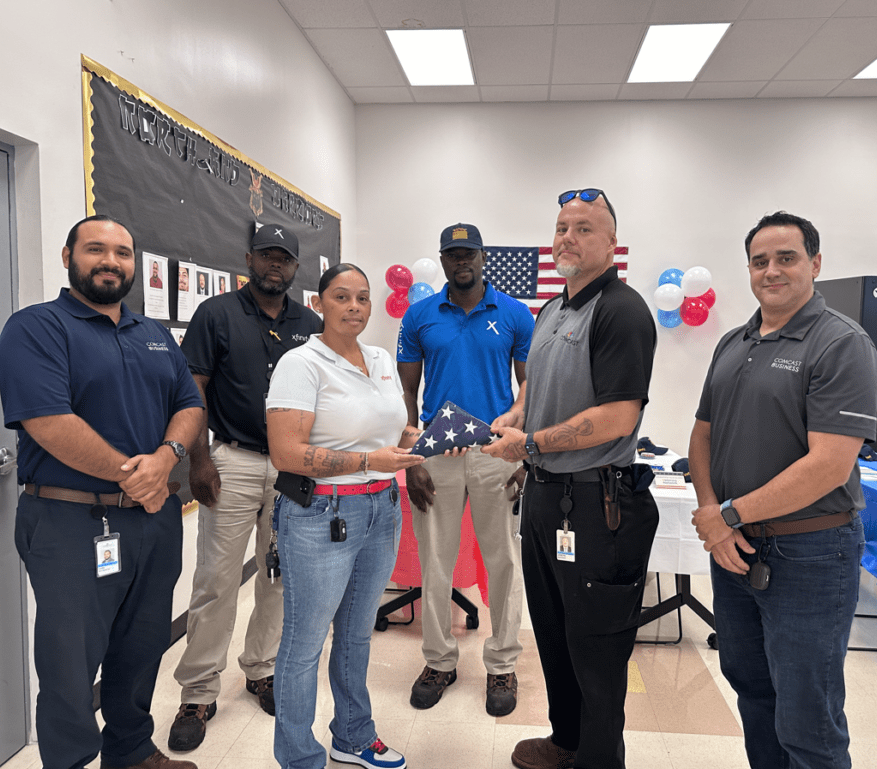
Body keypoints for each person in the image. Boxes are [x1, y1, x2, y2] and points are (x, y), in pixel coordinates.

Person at [0, 214, 204, 769]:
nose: (111, 261)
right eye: (95, 249)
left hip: (153, 521)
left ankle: (131, 752)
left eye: (123, 253)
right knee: (69, 663)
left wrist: (165, 460)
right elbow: (46, 420)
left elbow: (190, 405)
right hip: (69, 521)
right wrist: (136, 475)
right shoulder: (35, 328)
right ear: (68, 258)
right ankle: (69, 761)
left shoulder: (154, 333)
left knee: (142, 645)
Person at [689, 211, 877, 769]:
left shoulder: (841, 344)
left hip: (810, 554)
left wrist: (728, 514)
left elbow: (828, 464)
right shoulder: (734, 341)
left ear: (815, 263)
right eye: (759, 261)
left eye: (786, 258)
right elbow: (701, 435)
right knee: (753, 692)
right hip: (734, 550)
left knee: (808, 718)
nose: (771, 271)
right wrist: (713, 512)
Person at [483, 189, 659, 769]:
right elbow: (536, 391)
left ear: (611, 243)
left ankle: (600, 760)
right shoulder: (552, 311)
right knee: (554, 631)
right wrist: (515, 419)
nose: (568, 238)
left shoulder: (622, 310)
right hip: (545, 497)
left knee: (597, 648)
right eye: (561, 227)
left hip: (597, 503)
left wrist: (530, 443)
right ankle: (568, 741)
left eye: (584, 228)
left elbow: (618, 416)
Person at [266, 264, 425, 769]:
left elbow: (389, 431)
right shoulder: (302, 363)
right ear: (319, 304)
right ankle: (298, 756)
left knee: (357, 634)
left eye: (362, 298)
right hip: (320, 513)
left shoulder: (379, 358)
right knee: (305, 640)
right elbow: (286, 453)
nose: (354, 306)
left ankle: (353, 736)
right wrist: (365, 462)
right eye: (342, 297)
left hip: (382, 508)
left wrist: (419, 442)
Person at [169, 224, 321, 751]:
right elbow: (193, 390)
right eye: (265, 256)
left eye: (283, 258)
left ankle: (261, 668)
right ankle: (198, 690)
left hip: (293, 470)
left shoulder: (313, 324)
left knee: (280, 576)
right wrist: (199, 459)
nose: (273, 265)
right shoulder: (216, 314)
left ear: (296, 267)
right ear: (249, 260)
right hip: (231, 461)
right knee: (215, 578)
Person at [397, 222, 533, 716]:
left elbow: (531, 386)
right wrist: (412, 457)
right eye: (452, 255)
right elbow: (407, 395)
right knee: (436, 561)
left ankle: (502, 665)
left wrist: (525, 454)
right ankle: (439, 661)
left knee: (503, 561)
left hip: (498, 450)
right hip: (439, 450)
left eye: (468, 254)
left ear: (482, 257)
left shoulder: (515, 313)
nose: (461, 263)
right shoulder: (419, 316)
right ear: (442, 259)